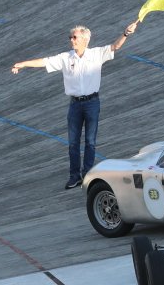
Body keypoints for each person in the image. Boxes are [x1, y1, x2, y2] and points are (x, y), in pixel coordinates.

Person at [12, 22, 140, 189]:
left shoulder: (96, 54)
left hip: (92, 103)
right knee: (73, 142)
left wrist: (126, 33)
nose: (71, 40)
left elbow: (115, 46)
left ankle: (87, 174)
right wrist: (23, 64)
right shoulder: (66, 58)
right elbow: (44, 61)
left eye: (75, 37)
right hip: (75, 105)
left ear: (86, 39)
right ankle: (74, 176)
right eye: (70, 37)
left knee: (90, 141)